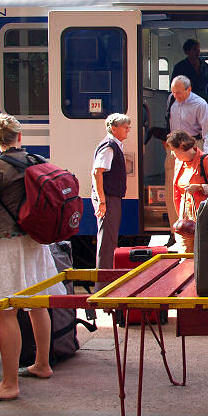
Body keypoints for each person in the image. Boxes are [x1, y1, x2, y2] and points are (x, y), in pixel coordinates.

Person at [0, 113, 65, 403]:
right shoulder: (36, 161)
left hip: (7, 246)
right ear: (19, 137)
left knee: (7, 312)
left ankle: (8, 384)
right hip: (37, 244)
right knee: (37, 305)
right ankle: (43, 364)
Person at [164, 75, 208, 229]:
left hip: (192, 146)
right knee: (172, 188)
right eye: (173, 92)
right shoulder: (171, 100)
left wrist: (205, 157)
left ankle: (193, 228)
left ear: (189, 89)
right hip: (174, 148)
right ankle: (175, 229)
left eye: (179, 92)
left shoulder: (200, 104)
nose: (175, 96)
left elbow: (207, 133)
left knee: (191, 188)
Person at [168, 130, 208, 254]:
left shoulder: (205, 160)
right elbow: (177, 192)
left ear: (183, 146)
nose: (173, 154)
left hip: (204, 218)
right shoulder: (179, 163)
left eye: (174, 150)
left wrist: (200, 187)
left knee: (203, 256)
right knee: (185, 257)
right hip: (185, 219)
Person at [92, 113, 131, 290]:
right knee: (107, 241)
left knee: (110, 239)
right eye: (125, 127)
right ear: (114, 129)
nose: (128, 130)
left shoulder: (114, 145)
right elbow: (97, 172)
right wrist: (102, 200)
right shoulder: (109, 146)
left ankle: (106, 283)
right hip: (107, 197)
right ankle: (103, 286)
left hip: (110, 197)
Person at [170, 38, 208, 113]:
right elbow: (174, 88)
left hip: (204, 102)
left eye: (198, 49)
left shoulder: (205, 66)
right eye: (194, 49)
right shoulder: (180, 67)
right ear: (187, 51)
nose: (197, 51)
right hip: (187, 103)